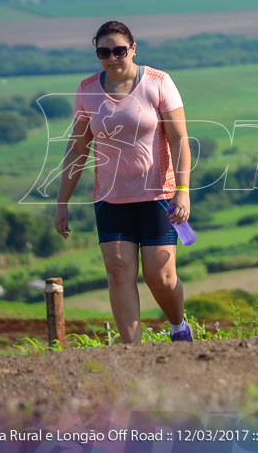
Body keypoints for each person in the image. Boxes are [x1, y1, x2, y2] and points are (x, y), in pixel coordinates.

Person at [54, 20, 193, 344]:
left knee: (160, 276)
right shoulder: (87, 90)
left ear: (133, 49)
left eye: (119, 50)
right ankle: (134, 353)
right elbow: (77, 149)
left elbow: (180, 139)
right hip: (111, 199)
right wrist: (63, 202)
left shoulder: (159, 82)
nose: (112, 58)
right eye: (104, 52)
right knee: (118, 274)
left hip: (159, 194)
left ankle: (177, 327)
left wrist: (183, 192)